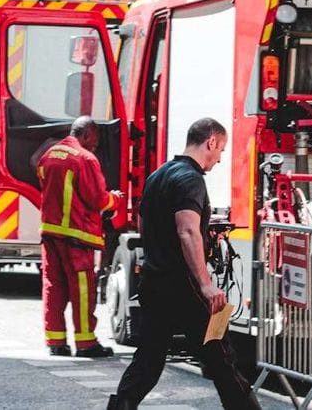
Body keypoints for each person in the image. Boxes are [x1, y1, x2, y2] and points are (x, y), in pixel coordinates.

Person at [109, 118, 261, 410]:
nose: (219, 159)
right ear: (211, 142)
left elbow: (144, 222)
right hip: (184, 287)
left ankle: (121, 406)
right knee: (221, 357)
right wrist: (205, 283)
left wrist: (162, 251)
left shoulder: (158, 176)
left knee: (149, 358)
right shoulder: (191, 179)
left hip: (155, 281)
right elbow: (187, 229)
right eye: (221, 150)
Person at [37, 116, 122, 357]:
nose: (95, 146)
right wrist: (115, 199)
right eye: (94, 142)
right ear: (86, 135)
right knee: (82, 290)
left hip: (51, 233)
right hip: (77, 236)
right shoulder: (85, 159)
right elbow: (97, 199)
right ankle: (85, 343)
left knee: (53, 287)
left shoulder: (49, 155)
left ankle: (55, 342)